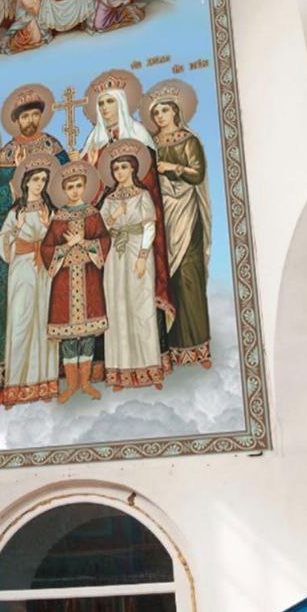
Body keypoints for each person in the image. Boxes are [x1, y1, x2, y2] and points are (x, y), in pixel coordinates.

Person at [81, 70, 175, 367]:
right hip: (108, 236)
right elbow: (87, 193)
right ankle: (110, 361)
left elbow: (147, 184)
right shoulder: (93, 142)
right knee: (112, 296)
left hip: (138, 231)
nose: (104, 108)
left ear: (120, 104)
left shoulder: (138, 135)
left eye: (109, 101)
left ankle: (150, 357)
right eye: (100, 103)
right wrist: (86, 167)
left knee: (140, 298)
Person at [0, 86, 67, 388]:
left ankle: (51, 373)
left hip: (48, 244)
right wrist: (14, 181)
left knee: (49, 309)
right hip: (16, 251)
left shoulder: (53, 146)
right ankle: (13, 375)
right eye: (25, 116)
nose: (30, 120)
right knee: (16, 314)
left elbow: (66, 189)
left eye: (35, 114)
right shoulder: (5, 155)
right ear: (16, 120)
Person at [143, 80, 212, 369]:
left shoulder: (189, 140)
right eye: (155, 113)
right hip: (162, 216)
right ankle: (168, 349)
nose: (160, 116)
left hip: (186, 214)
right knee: (165, 279)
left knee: (188, 277)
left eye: (164, 110)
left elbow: (197, 175)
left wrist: (173, 168)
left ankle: (198, 347)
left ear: (175, 112)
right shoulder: (150, 144)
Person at [41, 162, 110, 402]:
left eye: (78, 185)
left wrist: (83, 241)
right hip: (65, 280)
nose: (74, 190)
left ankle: (86, 383)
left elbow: (104, 241)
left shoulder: (93, 214)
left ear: (84, 187)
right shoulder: (59, 217)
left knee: (88, 334)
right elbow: (46, 248)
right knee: (69, 336)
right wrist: (66, 246)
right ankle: (71, 385)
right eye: (70, 187)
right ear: (63, 189)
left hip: (89, 277)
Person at [0, 155, 59, 408]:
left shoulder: (49, 211)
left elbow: (59, 238)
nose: (40, 184)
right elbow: (1, 242)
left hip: (45, 270)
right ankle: (14, 386)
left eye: (43, 179)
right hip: (22, 269)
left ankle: (44, 383)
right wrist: (16, 230)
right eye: (35, 179)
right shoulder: (16, 212)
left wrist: (47, 227)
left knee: (43, 322)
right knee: (20, 322)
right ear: (26, 182)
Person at [98, 143, 164, 389]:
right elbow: (99, 228)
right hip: (115, 254)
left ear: (133, 169)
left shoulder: (142, 195)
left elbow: (149, 226)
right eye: (115, 168)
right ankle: (120, 371)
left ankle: (150, 369)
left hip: (137, 250)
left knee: (141, 308)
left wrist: (143, 256)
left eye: (124, 167)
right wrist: (114, 216)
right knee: (117, 308)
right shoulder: (109, 199)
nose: (119, 172)